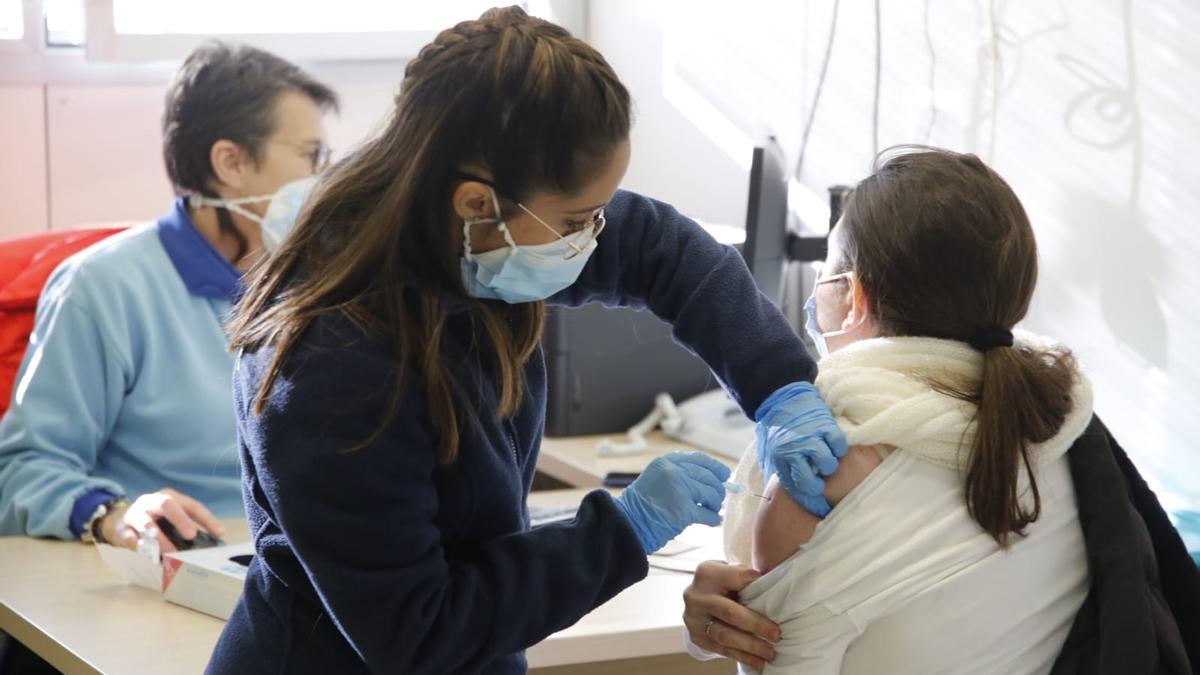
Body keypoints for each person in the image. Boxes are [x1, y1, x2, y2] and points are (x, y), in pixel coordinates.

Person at [206, 7, 847, 674]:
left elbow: (670, 253)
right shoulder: (333, 365)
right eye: (577, 218)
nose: (594, 235)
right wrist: (619, 532)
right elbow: (417, 631)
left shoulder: (474, 242)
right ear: (474, 202)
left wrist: (780, 387)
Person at [685, 147, 1198, 674]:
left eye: (827, 270)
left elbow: (770, 655)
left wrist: (706, 626)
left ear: (854, 297)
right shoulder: (1059, 427)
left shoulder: (822, 471)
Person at [0, 42, 338, 551]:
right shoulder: (103, 287)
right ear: (231, 162)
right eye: (311, 156)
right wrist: (113, 516)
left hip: (303, 567)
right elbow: (21, 471)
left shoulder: (321, 284)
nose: (322, 180)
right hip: (176, 569)